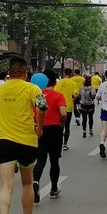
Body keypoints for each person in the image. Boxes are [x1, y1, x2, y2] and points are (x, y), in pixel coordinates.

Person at [0, 57, 46, 214]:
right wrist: (40, 128)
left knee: (6, 186)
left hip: (4, 142)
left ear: (9, 72)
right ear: (25, 72)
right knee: (27, 183)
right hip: (27, 141)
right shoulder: (33, 89)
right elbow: (42, 107)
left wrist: (1, 117)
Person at [33, 70, 67, 202]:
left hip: (40, 128)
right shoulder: (58, 95)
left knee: (40, 159)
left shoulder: (38, 96)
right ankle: (53, 189)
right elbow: (63, 113)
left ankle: (35, 181)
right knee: (54, 160)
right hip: (55, 129)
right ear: (54, 81)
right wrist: (62, 121)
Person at [59, 68, 78, 151]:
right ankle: (65, 144)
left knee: (59, 126)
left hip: (59, 107)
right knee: (67, 126)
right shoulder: (73, 83)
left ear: (64, 73)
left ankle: (59, 143)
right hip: (68, 107)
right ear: (71, 74)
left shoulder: (59, 83)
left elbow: (56, 92)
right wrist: (72, 100)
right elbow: (75, 95)